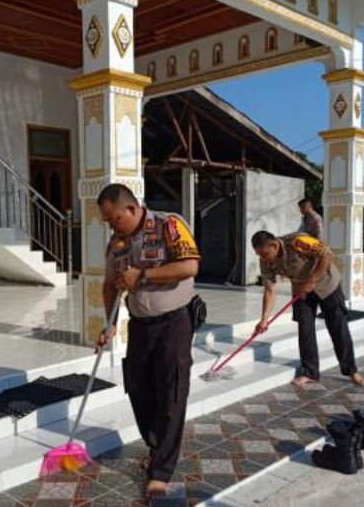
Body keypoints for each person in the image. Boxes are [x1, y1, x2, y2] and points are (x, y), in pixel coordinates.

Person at [95, 183, 200, 498]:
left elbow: (190, 266)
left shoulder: (169, 224)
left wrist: (142, 276)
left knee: (171, 392)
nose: (112, 226)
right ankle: (156, 448)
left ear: (130, 208)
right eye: (107, 221)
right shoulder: (117, 244)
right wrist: (110, 324)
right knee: (139, 387)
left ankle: (162, 471)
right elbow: (110, 286)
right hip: (140, 324)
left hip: (175, 322)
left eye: (114, 218)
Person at [252, 230, 364, 387]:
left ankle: (351, 370)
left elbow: (327, 254)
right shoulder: (265, 260)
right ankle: (310, 372)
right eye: (259, 256)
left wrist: (312, 280)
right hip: (301, 291)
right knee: (305, 329)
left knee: (337, 326)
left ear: (273, 245)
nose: (264, 259)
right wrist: (264, 319)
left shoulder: (298, 241)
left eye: (265, 254)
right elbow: (270, 289)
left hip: (326, 284)